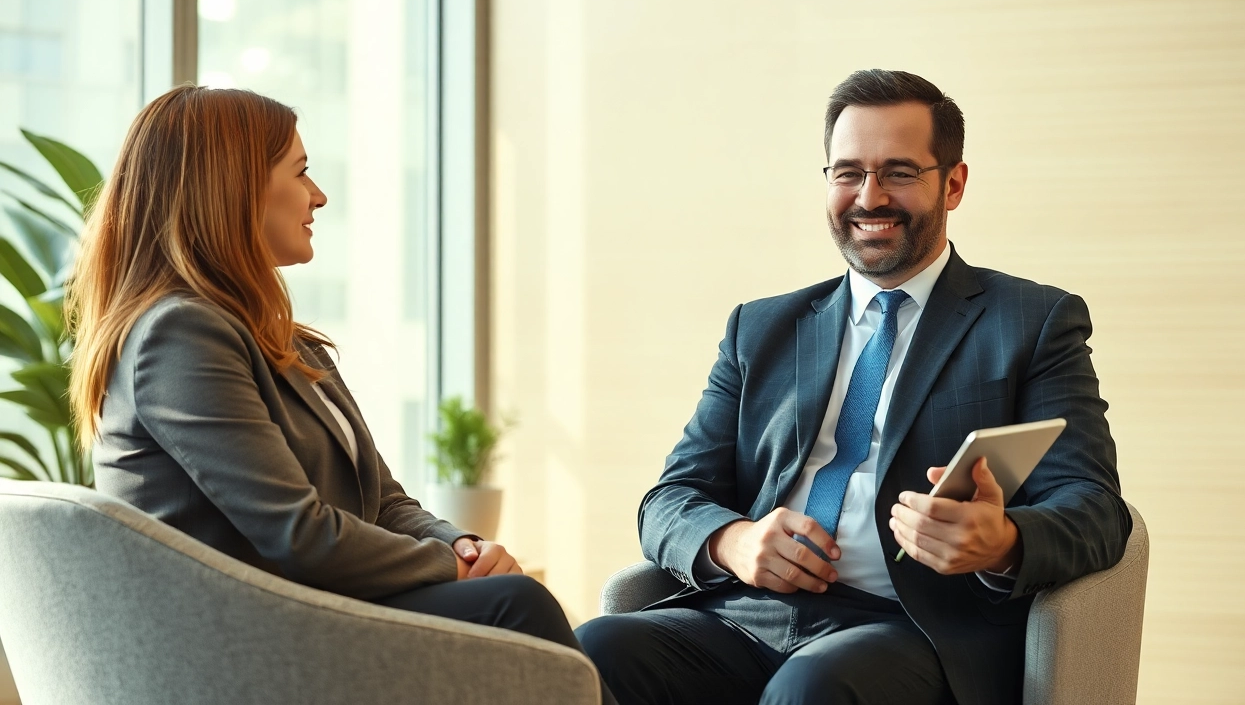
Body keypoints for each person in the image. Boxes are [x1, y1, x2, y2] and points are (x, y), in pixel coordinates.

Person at [574, 70, 1131, 705]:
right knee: (591, 653)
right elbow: (671, 498)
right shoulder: (759, 328)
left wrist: (1002, 542)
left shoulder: (1030, 323)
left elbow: (1095, 510)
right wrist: (735, 541)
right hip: (744, 615)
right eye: (848, 173)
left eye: (899, 172)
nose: (869, 197)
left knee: (810, 688)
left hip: (910, 628)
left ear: (953, 184)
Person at [68, 85, 615, 705]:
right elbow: (297, 536)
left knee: (528, 609)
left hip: (303, 617)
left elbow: (382, 502)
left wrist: (458, 544)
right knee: (513, 605)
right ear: (232, 190)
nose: (320, 196)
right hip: (232, 653)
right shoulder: (180, 335)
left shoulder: (288, 344)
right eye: (301, 173)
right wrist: (452, 569)